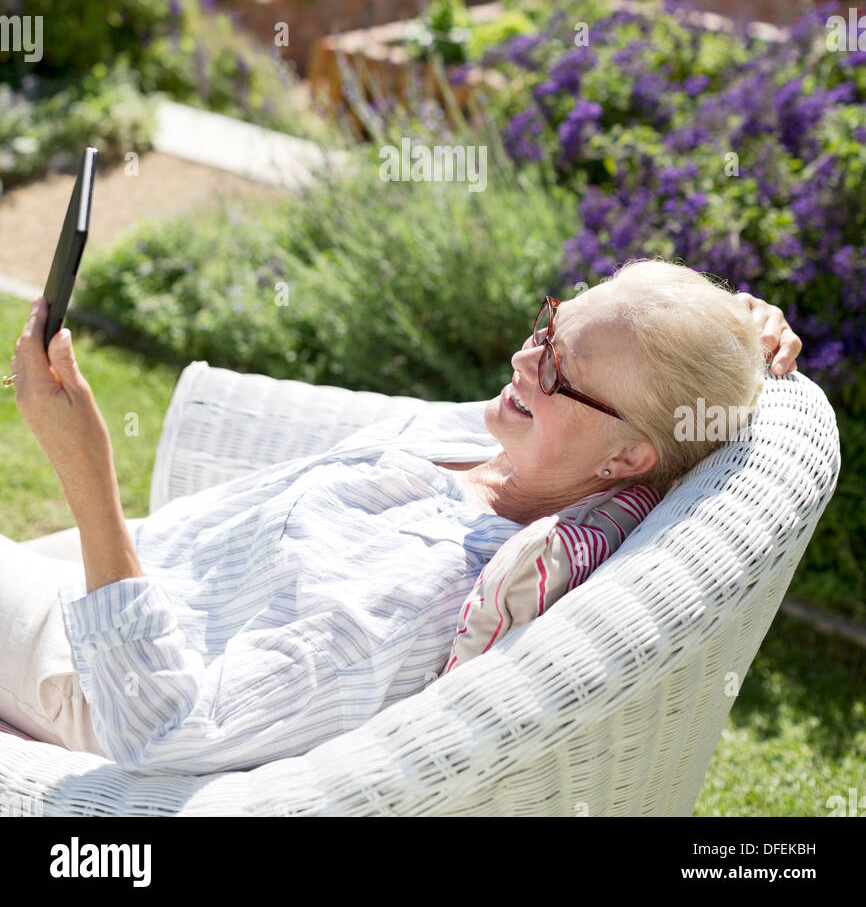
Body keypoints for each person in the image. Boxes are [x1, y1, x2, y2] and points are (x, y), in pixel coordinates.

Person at [0, 258, 802, 774]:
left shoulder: (413, 589)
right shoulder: (519, 448)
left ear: (626, 460)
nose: (526, 360)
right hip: (130, 576)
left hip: (93, 672)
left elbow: (168, 725)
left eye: (559, 369)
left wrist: (86, 472)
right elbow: (657, 374)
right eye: (548, 326)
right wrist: (740, 327)